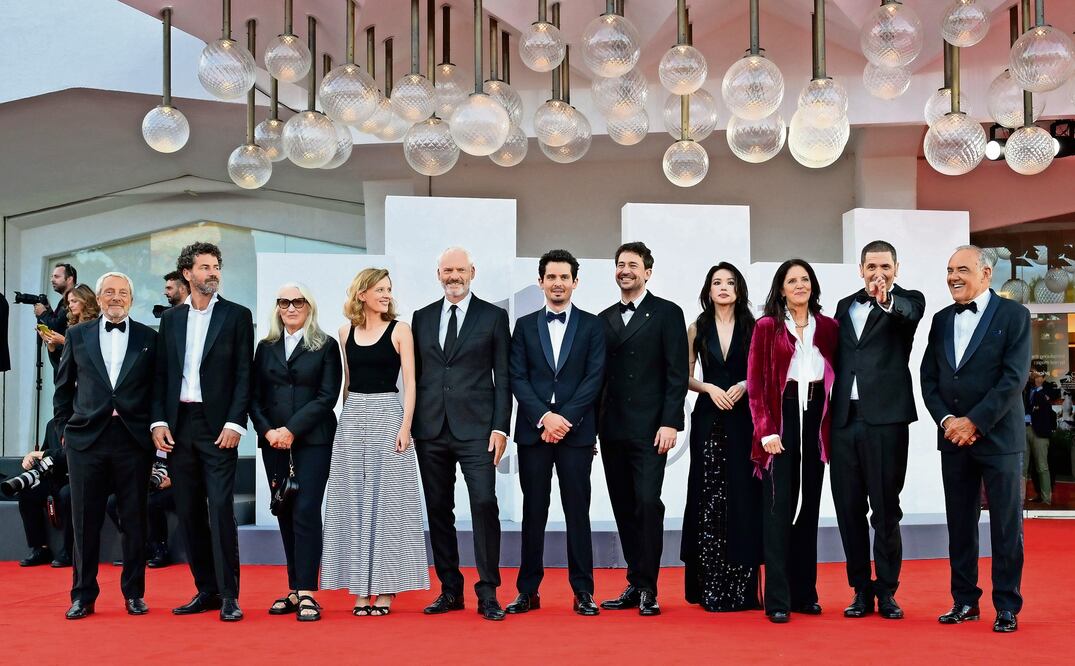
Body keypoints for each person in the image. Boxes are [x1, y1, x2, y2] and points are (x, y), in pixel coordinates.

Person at [920, 245, 1030, 633]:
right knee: (960, 525)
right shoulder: (940, 319)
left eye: (962, 269)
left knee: (1005, 526)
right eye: (950, 269)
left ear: (986, 274)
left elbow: (1013, 378)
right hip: (954, 439)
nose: (954, 276)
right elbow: (929, 378)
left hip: (999, 438)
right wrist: (949, 420)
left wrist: (975, 422)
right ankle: (964, 600)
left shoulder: (1015, 315)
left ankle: (1007, 605)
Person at [151, 242, 253, 622]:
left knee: (221, 509)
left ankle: (230, 595)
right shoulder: (172, 319)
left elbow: (245, 373)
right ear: (187, 274)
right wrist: (158, 422)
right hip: (178, 427)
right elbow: (162, 374)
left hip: (218, 428)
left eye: (216, 266)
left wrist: (234, 422)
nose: (212, 272)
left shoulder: (237, 316)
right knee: (189, 511)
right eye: (205, 267)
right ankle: (205, 590)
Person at [411, 247, 511, 621]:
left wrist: (501, 427)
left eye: (460, 270)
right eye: (447, 270)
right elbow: (414, 377)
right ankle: (449, 589)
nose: (454, 276)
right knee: (438, 510)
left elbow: (504, 378)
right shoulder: (420, 318)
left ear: (473, 272)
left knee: (484, 504)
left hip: (478, 431)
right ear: (438, 274)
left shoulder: (494, 317)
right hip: (431, 429)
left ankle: (488, 592)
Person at [321, 268, 429, 615]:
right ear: (362, 293)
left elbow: (410, 383)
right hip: (353, 417)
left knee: (389, 506)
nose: (386, 295)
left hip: (388, 414)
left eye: (389, 289)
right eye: (380, 289)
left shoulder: (401, 330)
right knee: (352, 502)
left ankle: (385, 588)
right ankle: (359, 588)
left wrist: (405, 426)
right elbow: (347, 383)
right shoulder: (344, 332)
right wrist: (342, 422)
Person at [53, 272, 158, 620]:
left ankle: (134, 593)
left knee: (134, 520)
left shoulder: (148, 337)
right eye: (109, 292)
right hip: (87, 441)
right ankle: (83, 595)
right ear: (98, 298)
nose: (116, 297)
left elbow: (158, 389)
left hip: (133, 440)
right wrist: (66, 429)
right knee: (84, 521)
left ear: (131, 298)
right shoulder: (76, 335)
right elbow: (63, 388)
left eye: (122, 292)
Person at [506, 250, 606, 617]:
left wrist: (564, 420)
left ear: (575, 282)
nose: (558, 283)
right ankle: (527, 591)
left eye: (565, 277)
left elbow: (594, 378)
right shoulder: (524, 325)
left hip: (576, 434)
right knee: (534, 511)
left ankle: (583, 591)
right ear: (541, 282)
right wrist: (544, 417)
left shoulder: (593, 326)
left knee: (577, 511)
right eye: (551, 277)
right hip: (534, 433)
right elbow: (517, 376)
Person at [830, 241, 924, 620]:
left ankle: (887, 590)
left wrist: (886, 301)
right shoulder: (843, 306)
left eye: (885, 265)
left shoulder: (908, 301)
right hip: (842, 421)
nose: (877, 272)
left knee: (886, 510)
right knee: (848, 509)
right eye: (871, 266)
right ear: (861, 268)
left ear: (896, 268)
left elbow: (907, 315)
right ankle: (859, 590)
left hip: (886, 421)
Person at [598, 241, 689, 616]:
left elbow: (676, 372)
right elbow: (595, 378)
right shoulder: (601, 318)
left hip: (652, 429)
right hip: (611, 429)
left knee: (648, 504)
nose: (626, 270)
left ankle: (649, 586)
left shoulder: (667, 313)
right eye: (620, 264)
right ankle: (635, 583)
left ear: (647, 272)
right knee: (623, 506)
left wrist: (671, 421)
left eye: (633, 265)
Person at [747, 259, 838, 624]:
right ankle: (778, 599)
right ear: (781, 288)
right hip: (780, 421)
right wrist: (766, 430)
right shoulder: (767, 327)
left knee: (810, 508)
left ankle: (805, 594)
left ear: (813, 286)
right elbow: (755, 383)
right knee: (778, 510)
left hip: (816, 419)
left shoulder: (829, 327)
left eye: (805, 279)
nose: (799, 285)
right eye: (791, 280)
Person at [250, 283, 342, 622]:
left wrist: (292, 430)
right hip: (273, 441)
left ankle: (308, 592)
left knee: (305, 509)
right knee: (284, 511)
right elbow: (254, 397)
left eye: (298, 301)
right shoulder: (266, 347)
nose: (291, 307)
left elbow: (327, 396)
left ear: (309, 306)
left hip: (312, 439)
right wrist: (269, 431)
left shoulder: (326, 345)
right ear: (277, 308)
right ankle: (293, 587)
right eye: (284, 302)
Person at [681, 262, 762, 612]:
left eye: (730, 282)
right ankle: (710, 586)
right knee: (709, 496)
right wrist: (709, 387)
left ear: (739, 289)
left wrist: (745, 384)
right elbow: (685, 376)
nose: (724, 287)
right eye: (717, 282)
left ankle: (743, 590)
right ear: (709, 290)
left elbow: (763, 371)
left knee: (744, 497)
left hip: (746, 420)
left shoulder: (755, 327)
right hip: (709, 419)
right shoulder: (695, 328)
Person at [16, 419, 73, 568]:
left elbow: (72, 455)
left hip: (79, 479)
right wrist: (31, 461)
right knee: (27, 491)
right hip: (55, 479)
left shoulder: (86, 419)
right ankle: (40, 548)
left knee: (68, 494)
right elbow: (43, 456)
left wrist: (42, 454)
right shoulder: (52, 424)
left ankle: (69, 550)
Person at [106, 464, 175, 568]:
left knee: (150, 503)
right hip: (144, 483)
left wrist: (173, 479)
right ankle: (138, 547)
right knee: (112, 503)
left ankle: (160, 549)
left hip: (174, 483)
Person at [1024, 358, 1060, 505]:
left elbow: (1047, 402)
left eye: (1034, 371)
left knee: (1042, 466)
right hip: (1023, 429)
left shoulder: (1049, 387)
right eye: (1031, 370)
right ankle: (1019, 500)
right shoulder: (1025, 387)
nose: (1032, 374)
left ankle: (1046, 499)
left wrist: (1039, 387)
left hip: (1039, 432)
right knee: (1022, 467)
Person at [35, 262, 77, 372]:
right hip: (61, 360)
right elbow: (60, 322)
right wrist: (48, 310)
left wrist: (43, 314)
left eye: (57, 277)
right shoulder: (63, 301)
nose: (52, 280)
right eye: (52, 276)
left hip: (68, 363)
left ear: (69, 279)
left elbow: (56, 327)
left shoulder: (72, 301)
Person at [41, 284, 101, 355]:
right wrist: (49, 341)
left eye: (74, 301)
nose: (70, 305)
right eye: (69, 302)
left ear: (86, 301)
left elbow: (89, 353)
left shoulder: (96, 324)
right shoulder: (72, 323)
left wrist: (63, 341)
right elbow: (60, 356)